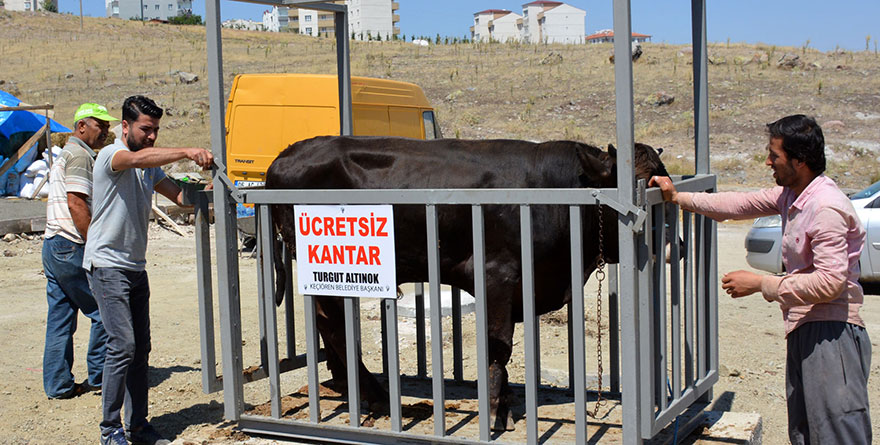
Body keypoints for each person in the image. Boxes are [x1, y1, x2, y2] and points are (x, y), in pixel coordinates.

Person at [650, 114, 871, 444]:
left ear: (800, 160)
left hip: (832, 333)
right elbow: (737, 204)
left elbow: (830, 283)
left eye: (775, 155)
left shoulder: (826, 207)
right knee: (807, 432)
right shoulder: (793, 195)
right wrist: (677, 197)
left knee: (837, 434)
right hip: (808, 327)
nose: (768, 161)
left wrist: (760, 284)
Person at [83, 95, 213, 445]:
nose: (151, 136)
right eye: (146, 129)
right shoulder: (113, 156)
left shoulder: (148, 167)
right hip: (107, 265)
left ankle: (137, 426)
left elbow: (180, 198)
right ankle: (110, 429)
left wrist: (209, 191)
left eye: (155, 130)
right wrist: (186, 151)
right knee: (122, 345)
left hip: (134, 267)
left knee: (140, 349)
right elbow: (137, 159)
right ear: (125, 126)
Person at [41, 103, 117, 399]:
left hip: (53, 243)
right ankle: (100, 377)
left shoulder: (67, 153)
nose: (106, 132)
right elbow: (76, 203)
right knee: (102, 310)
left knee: (60, 317)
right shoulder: (80, 156)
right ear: (82, 126)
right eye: (101, 126)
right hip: (71, 243)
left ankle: (58, 385)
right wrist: (93, 242)